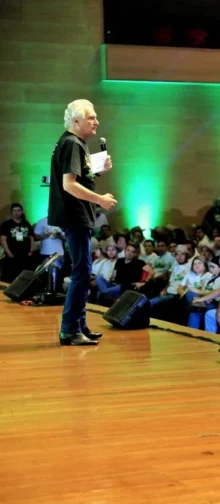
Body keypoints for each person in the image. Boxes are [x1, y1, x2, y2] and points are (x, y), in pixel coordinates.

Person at [48, 99, 117, 346]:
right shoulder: (72, 144)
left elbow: (80, 176)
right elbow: (69, 184)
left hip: (75, 216)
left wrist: (97, 169)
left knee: (82, 271)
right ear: (77, 121)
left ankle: (79, 325)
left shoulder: (72, 143)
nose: (96, 121)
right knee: (82, 272)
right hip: (75, 216)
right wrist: (101, 200)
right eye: (91, 117)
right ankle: (70, 330)